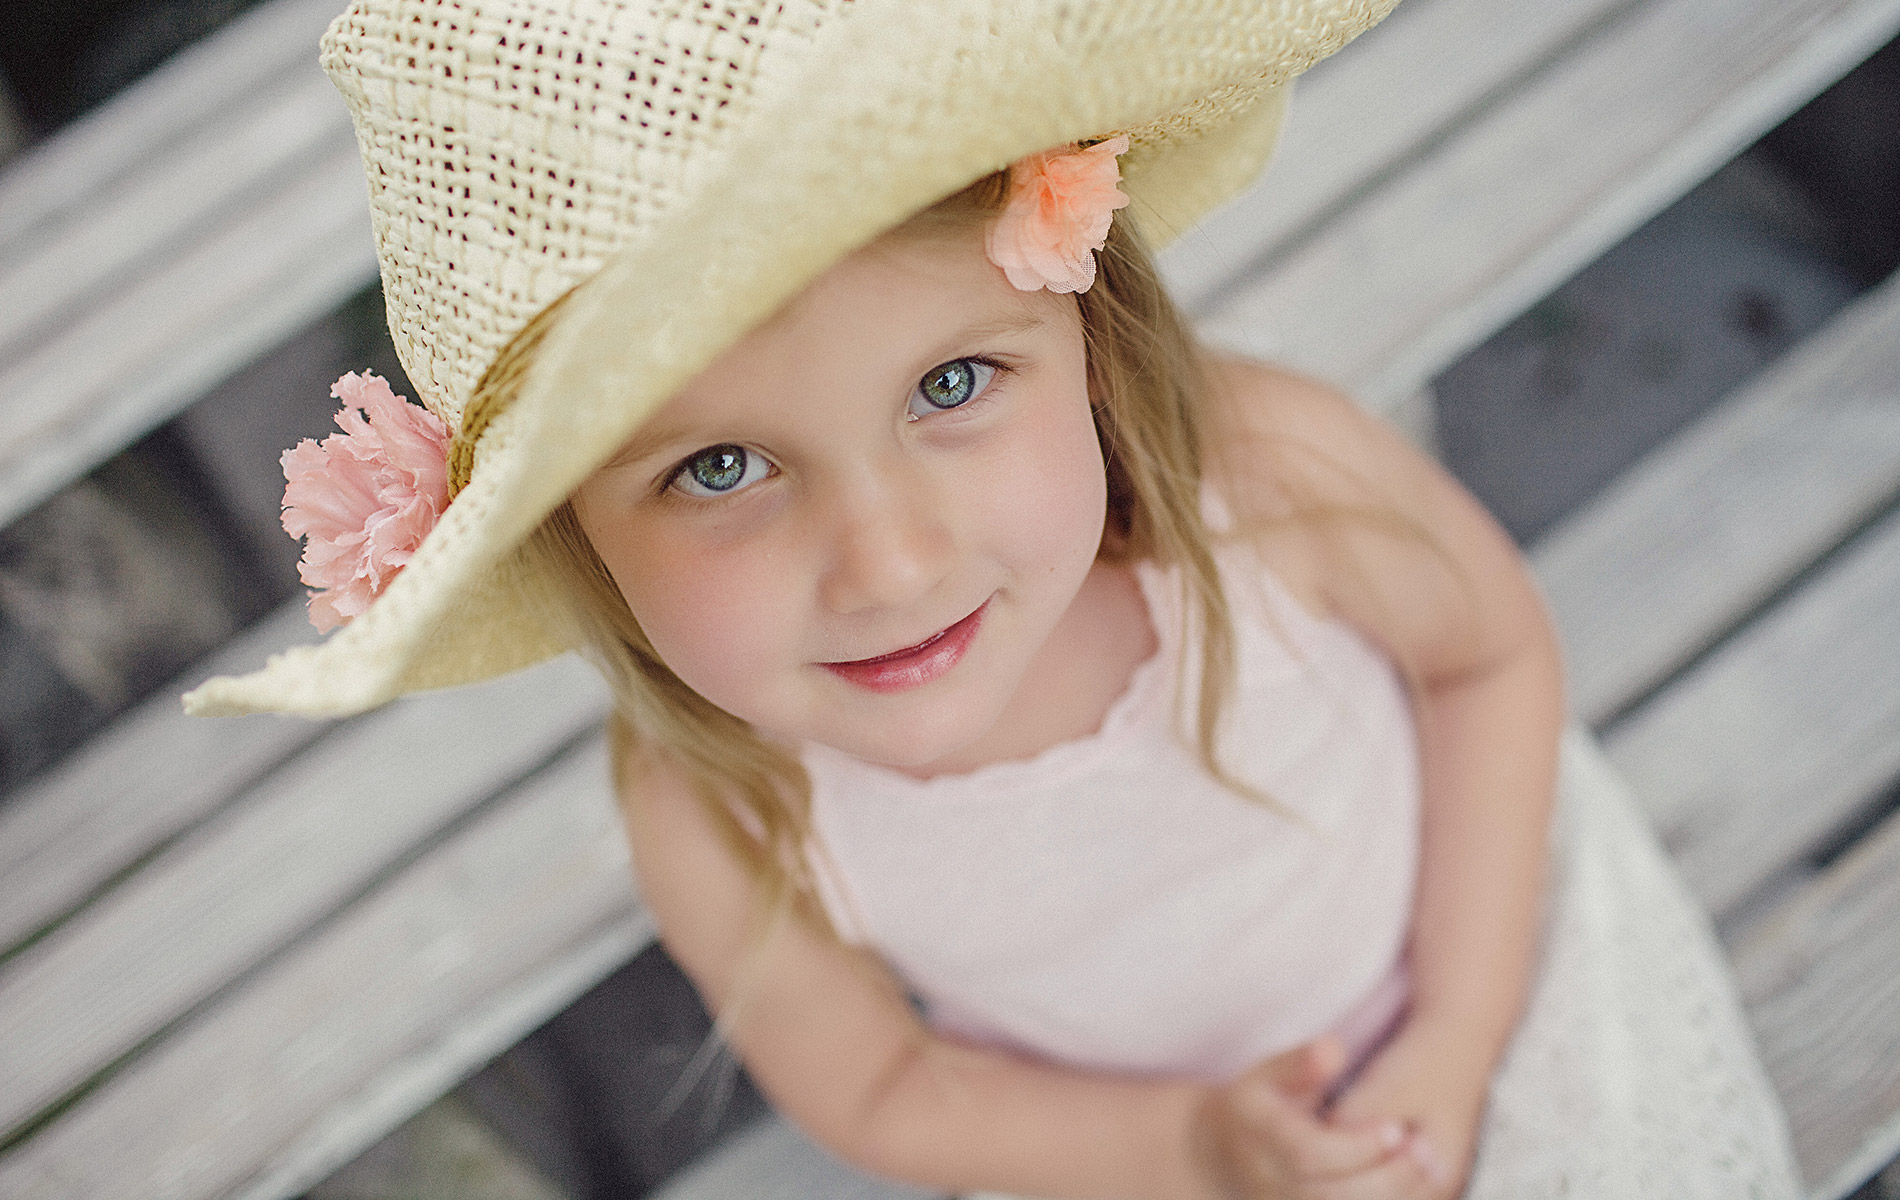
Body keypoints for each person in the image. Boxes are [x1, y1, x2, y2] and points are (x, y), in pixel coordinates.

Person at [187, 1, 1802, 1196]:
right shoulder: (717, 806)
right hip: (1136, 1149)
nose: (890, 565)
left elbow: (1489, 666)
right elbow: (887, 1087)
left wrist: (1455, 1035)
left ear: (1083, 320)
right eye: (722, 471)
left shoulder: (1280, 487)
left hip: (1488, 952)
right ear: (571, 539)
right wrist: (1192, 1145)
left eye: (953, 379)